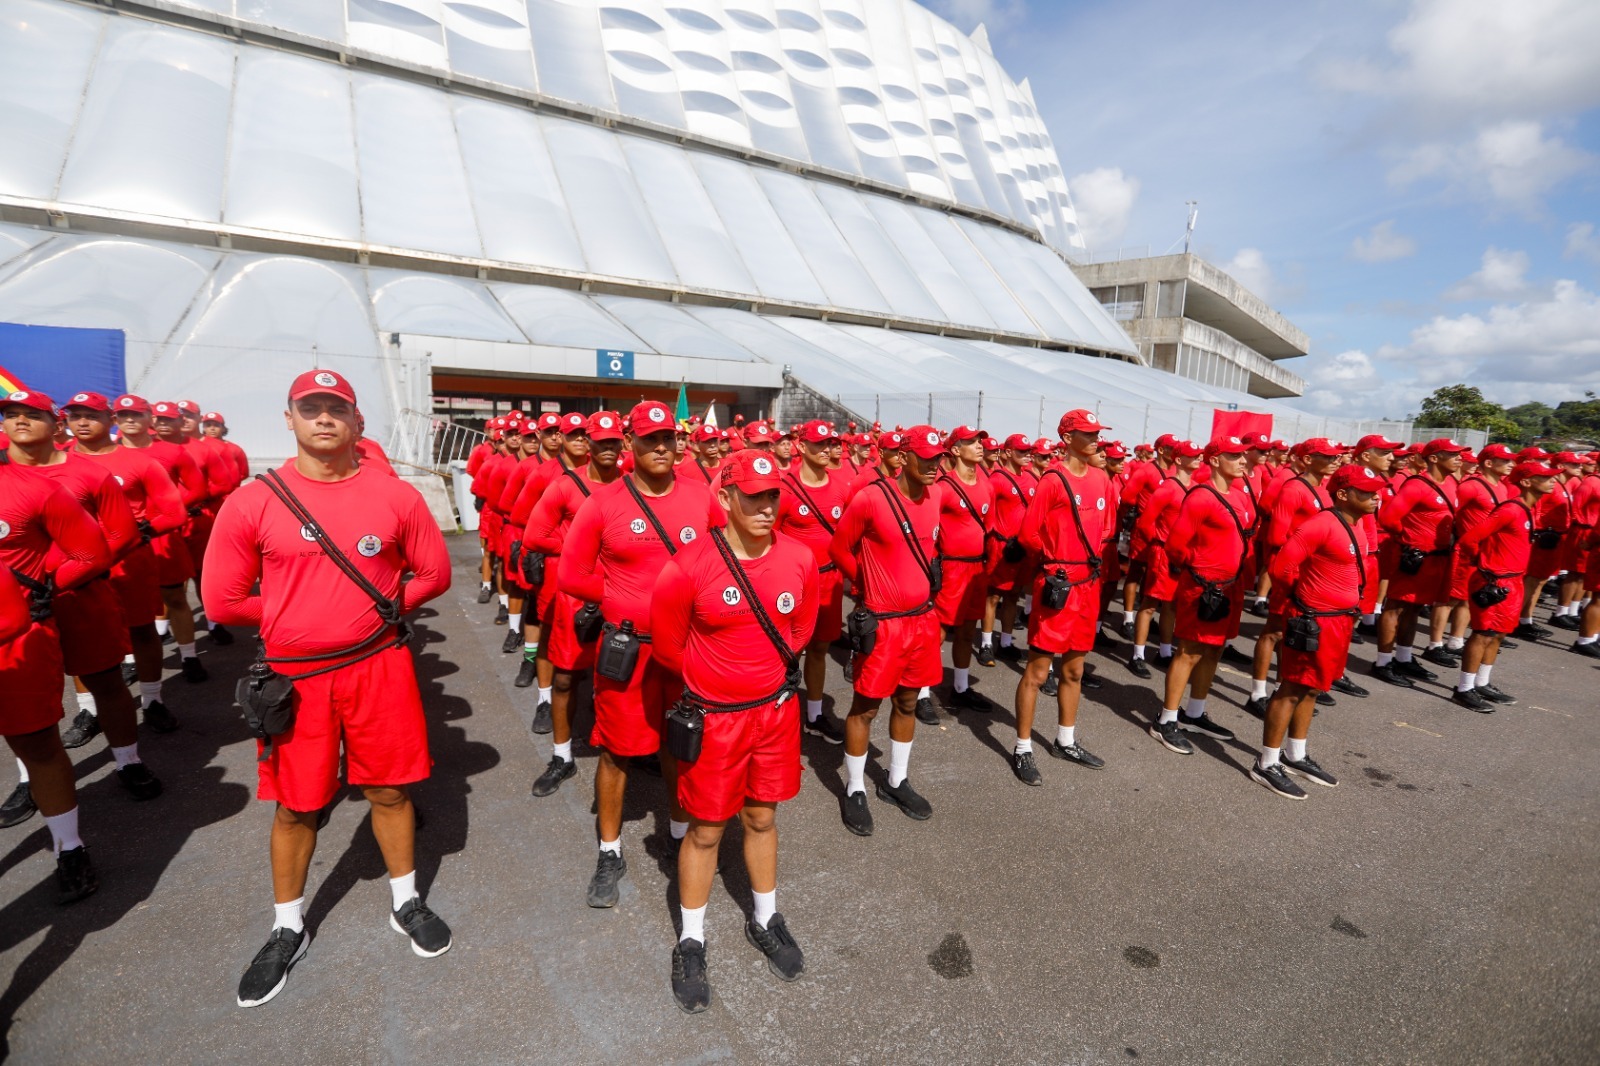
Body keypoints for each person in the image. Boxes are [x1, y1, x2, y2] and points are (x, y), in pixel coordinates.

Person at [205, 370, 453, 1008]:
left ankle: (406, 901)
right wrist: (297, 617)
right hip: (296, 676)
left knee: (391, 789)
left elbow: (434, 571)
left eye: (336, 408)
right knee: (296, 803)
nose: (324, 419)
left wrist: (378, 610)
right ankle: (288, 925)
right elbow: (223, 600)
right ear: (288, 418)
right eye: (310, 408)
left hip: (379, 666)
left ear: (354, 420)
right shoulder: (253, 500)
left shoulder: (394, 496)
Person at [651, 449, 819, 1012]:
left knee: (763, 816)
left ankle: (766, 918)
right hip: (714, 718)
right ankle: (691, 939)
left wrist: (760, 679)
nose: (768, 507)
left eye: (773, 495)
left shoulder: (799, 557)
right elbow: (670, 648)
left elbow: (801, 627)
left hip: (773, 713)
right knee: (704, 829)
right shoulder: (690, 564)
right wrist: (717, 686)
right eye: (754, 496)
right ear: (725, 498)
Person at [559, 400, 714, 907]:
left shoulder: (702, 496)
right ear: (631, 445)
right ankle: (609, 850)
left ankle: (675, 833)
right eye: (651, 439)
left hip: (689, 651)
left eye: (668, 438)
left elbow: (724, 559)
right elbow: (571, 575)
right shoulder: (603, 502)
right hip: (630, 650)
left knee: (681, 745)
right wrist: (624, 599)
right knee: (618, 751)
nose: (662, 448)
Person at [3, 392, 163, 802]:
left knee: (106, 681)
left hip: (79, 596)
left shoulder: (89, 474)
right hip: (16, 610)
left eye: (31, 415)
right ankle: (29, 779)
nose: (20, 422)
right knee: (22, 700)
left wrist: (58, 581)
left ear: (55, 425)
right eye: (11, 415)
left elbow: (121, 534)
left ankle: (128, 760)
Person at [0, 416, 114, 899]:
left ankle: (70, 848)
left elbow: (91, 552)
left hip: (17, 643)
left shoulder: (34, 489)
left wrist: (41, 595)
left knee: (40, 747)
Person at [828, 425, 945, 831]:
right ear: (903, 457)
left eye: (938, 458)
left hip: (922, 621)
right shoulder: (871, 498)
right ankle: (855, 786)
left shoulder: (938, 496)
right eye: (926, 458)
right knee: (865, 707)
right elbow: (838, 548)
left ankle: (896, 780)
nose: (934, 465)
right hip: (883, 623)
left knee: (909, 702)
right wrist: (864, 583)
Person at [1252, 464, 1381, 799]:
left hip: (1339, 620)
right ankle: (1267, 762)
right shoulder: (1321, 523)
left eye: (1375, 490)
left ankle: (1295, 754)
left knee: (1313, 688)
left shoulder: (1359, 525)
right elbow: (1281, 566)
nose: (1375, 496)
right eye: (1366, 491)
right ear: (1343, 494)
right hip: (1315, 619)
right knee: (1292, 687)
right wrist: (1307, 599)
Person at [1009, 410, 1115, 786]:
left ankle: (1065, 740)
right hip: (1058, 584)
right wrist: (1054, 562)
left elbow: (1107, 528)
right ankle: (1023, 747)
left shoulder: (1103, 478)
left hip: (1088, 584)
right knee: (1038, 672)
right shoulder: (1053, 479)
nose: (1096, 440)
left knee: (1074, 669)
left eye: (1097, 433)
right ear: (1067, 438)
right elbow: (1028, 533)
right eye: (1088, 434)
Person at [523, 411, 624, 793]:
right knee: (566, 678)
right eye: (600, 441)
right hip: (577, 598)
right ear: (588, 445)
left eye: (616, 441)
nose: (608, 448)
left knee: (621, 678)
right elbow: (535, 535)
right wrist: (580, 547)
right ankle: (562, 756)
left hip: (620, 596)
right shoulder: (564, 487)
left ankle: (626, 750)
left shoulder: (632, 486)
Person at [1148, 436, 1257, 754]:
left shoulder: (1238, 496)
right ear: (1213, 460)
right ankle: (1165, 720)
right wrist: (1199, 574)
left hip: (1229, 586)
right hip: (1203, 587)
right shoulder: (1200, 496)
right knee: (1189, 652)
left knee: (1214, 651)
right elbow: (1176, 545)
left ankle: (1194, 713)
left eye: (1242, 456)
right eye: (1234, 456)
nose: (1242, 461)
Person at [113, 394, 210, 682]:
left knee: (175, 597)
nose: (130, 420)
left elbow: (197, 488)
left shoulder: (172, 452)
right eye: (123, 415)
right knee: (124, 605)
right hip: (121, 544)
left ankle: (190, 656)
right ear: (115, 420)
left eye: (137, 414)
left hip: (163, 537)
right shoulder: (103, 454)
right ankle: (131, 659)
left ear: (149, 419)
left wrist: (163, 514)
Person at [1451, 461, 1557, 711]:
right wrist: (1483, 565)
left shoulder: (1529, 508)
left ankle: (1482, 682)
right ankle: (1464, 688)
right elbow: (1469, 539)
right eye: (1546, 477)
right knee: (1483, 633)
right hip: (1495, 580)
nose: (1553, 480)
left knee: (1498, 634)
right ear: (1527, 482)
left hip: (1514, 580)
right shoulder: (1510, 509)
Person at [1245, 439, 1340, 713]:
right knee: (1274, 631)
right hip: (1290, 567)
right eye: (1327, 456)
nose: (1335, 460)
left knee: (1291, 632)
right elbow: (1276, 536)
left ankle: (1280, 688)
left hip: (1310, 570)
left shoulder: (1323, 489)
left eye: (1335, 456)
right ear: (1308, 459)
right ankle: (1257, 694)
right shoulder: (1294, 488)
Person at [774, 419, 849, 743]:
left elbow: (848, 536)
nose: (827, 450)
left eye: (831, 444)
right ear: (801, 446)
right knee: (784, 650)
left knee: (819, 648)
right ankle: (775, 712)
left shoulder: (842, 487)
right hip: (793, 584)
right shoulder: (783, 487)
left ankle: (815, 713)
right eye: (819, 444)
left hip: (829, 581)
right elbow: (769, 536)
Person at [1373, 439, 1466, 689]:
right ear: (1434, 458)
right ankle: (1383, 662)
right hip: (1415, 557)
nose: (1459, 458)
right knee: (1395, 608)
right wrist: (1409, 540)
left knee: (1414, 608)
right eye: (1452, 454)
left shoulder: (1451, 483)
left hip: (1436, 558)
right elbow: (1388, 517)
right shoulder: (1417, 485)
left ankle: (1403, 657)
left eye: (1460, 454)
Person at [931, 425, 997, 717]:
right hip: (950, 566)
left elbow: (990, 528)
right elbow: (929, 530)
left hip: (976, 568)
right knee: (938, 631)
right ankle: (921, 692)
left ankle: (960, 687)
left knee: (968, 629)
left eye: (980, 441)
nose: (979, 445)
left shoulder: (986, 484)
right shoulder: (942, 486)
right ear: (955, 450)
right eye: (971, 442)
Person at [1127, 440, 1202, 678]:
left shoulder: (1198, 487)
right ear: (1179, 460)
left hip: (1184, 555)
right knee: (1150, 604)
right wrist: (1159, 546)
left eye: (1200, 455)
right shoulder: (1168, 487)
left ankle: (1165, 651)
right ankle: (1138, 655)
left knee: (1171, 606)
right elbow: (1145, 522)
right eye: (1193, 455)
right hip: (1163, 553)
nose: (1199, 458)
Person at [978, 434, 1034, 665]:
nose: (1027, 455)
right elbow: (986, 515)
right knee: (993, 596)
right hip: (1001, 546)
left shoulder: (1031, 480)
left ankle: (1006, 642)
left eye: (1028, 451)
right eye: (1021, 451)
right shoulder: (997, 479)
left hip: (1022, 548)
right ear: (1008, 452)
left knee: (1013, 595)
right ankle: (986, 644)